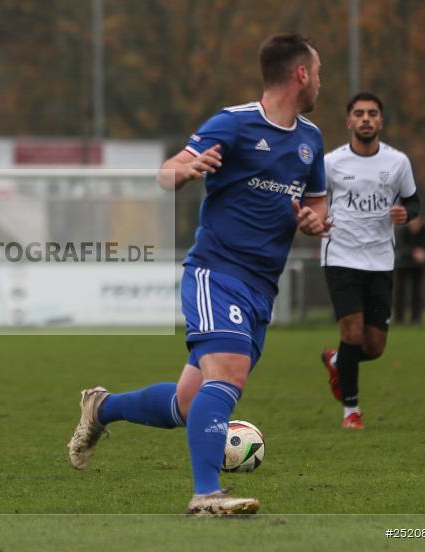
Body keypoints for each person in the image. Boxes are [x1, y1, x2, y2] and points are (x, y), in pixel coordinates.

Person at [67, 33, 329, 515]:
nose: (320, 82)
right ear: (300, 74)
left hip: (260, 288)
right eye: (317, 72)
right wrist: (186, 172)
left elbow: (315, 204)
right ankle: (206, 495)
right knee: (228, 375)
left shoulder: (311, 140)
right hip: (217, 271)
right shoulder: (233, 124)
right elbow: (168, 171)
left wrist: (314, 221)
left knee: (189, 404)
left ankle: (101, 407)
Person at [319, 92, 419, 430]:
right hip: (341, 256)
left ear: (380, 121)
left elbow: (413, 201)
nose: (366, 119)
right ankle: (352, 412)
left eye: (372, 113)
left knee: (373, 347)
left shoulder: (397, 162)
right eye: (359, 113)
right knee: (352, 332)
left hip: (380, 259)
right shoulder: (331, 163)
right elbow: (314, 198)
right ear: (348, 121)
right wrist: (317, 219)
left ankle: (336, 361)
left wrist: (406, 213)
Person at [394, 215, 425, 324]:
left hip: (419, 267)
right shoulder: (401, 231)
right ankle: (399, 319)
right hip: (402, 266)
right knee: (400, 292)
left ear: (421, 222)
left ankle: (416, 319)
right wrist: (414, 253)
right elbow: (398, 248)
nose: (413, 225)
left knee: (417, 292)